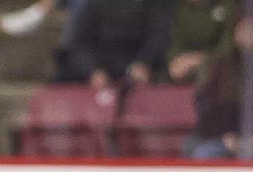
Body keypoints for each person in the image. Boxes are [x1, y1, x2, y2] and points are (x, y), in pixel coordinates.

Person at [59, 0, 174, 88]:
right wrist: (92, 71)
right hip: (97, 73)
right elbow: (79, 44)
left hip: (141, 72)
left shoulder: (152, 5)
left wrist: (144, 62)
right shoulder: (92, 5)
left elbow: (157, 37)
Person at [186, 13, 250, 158]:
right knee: (202, 152)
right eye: (245, 28)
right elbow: (206, 104)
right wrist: (225, 135)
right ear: (236, 33)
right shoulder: (221, 66)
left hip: (248, 138)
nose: (249, 34)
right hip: (222, 135)